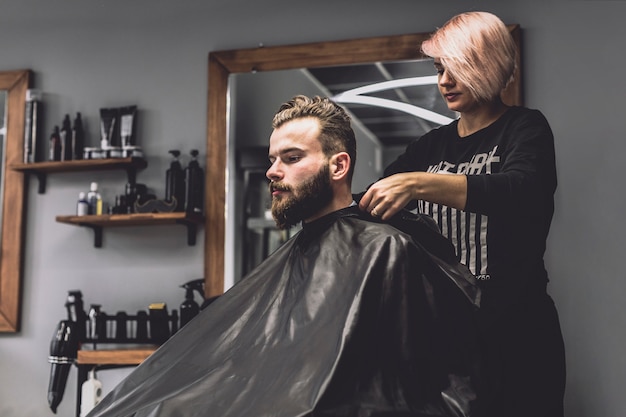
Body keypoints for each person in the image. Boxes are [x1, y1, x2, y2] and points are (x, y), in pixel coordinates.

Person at [86, 95, 482, 417]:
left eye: (291, 159)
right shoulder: (297, 252)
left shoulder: (384, 249)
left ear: (338, 165)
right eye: (272, 159)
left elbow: (401, 386)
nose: (272, 172)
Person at [358, 11, 566, 417]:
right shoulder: (431, 147)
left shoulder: (525, 128)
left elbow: (521, 190)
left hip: (520, 336)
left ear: (489, 65)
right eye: (439, 69)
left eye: (456, 67)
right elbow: (375, 203)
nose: (444, 81)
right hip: (449, 337)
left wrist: (418, 184)